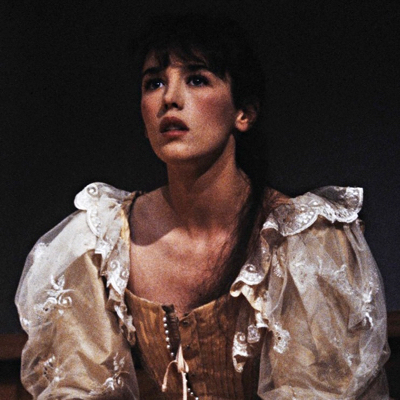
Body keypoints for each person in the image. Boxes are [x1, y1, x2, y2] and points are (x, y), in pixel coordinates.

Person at [15, 13, 390, 399]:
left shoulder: (303, 241)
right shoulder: (100, 239)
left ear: (243, 113)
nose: (169, 98)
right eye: (154, 83)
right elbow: (80, 386)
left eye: (196, 79)